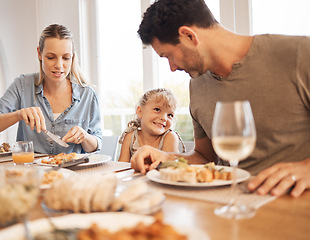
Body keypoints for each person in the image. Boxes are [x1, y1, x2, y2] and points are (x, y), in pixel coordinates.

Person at [132, 0, 310, 197]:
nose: (172, 67)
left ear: (189, 36)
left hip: (292, 205)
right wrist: (166, 157)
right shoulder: (198, 84)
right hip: (226, 205)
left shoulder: (299, 54)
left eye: (168, 56)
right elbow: (205, 156)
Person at [0, 24, 102, 154]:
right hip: (31, 172)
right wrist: (18, 114)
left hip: (73, 173)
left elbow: (96, 144)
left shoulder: (88, 95)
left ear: (72, 57)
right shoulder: (22, 86)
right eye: (51, 57)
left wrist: (84, 137)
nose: (59, 65)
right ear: (39, 53)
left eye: (66, 58)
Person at [118, 88, 185, 162]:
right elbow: (121, 167)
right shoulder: (130, 137)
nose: (164, 118)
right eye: (157, 110)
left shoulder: (170, 137)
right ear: (140, 111)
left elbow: (168, 168)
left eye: (170, 115)